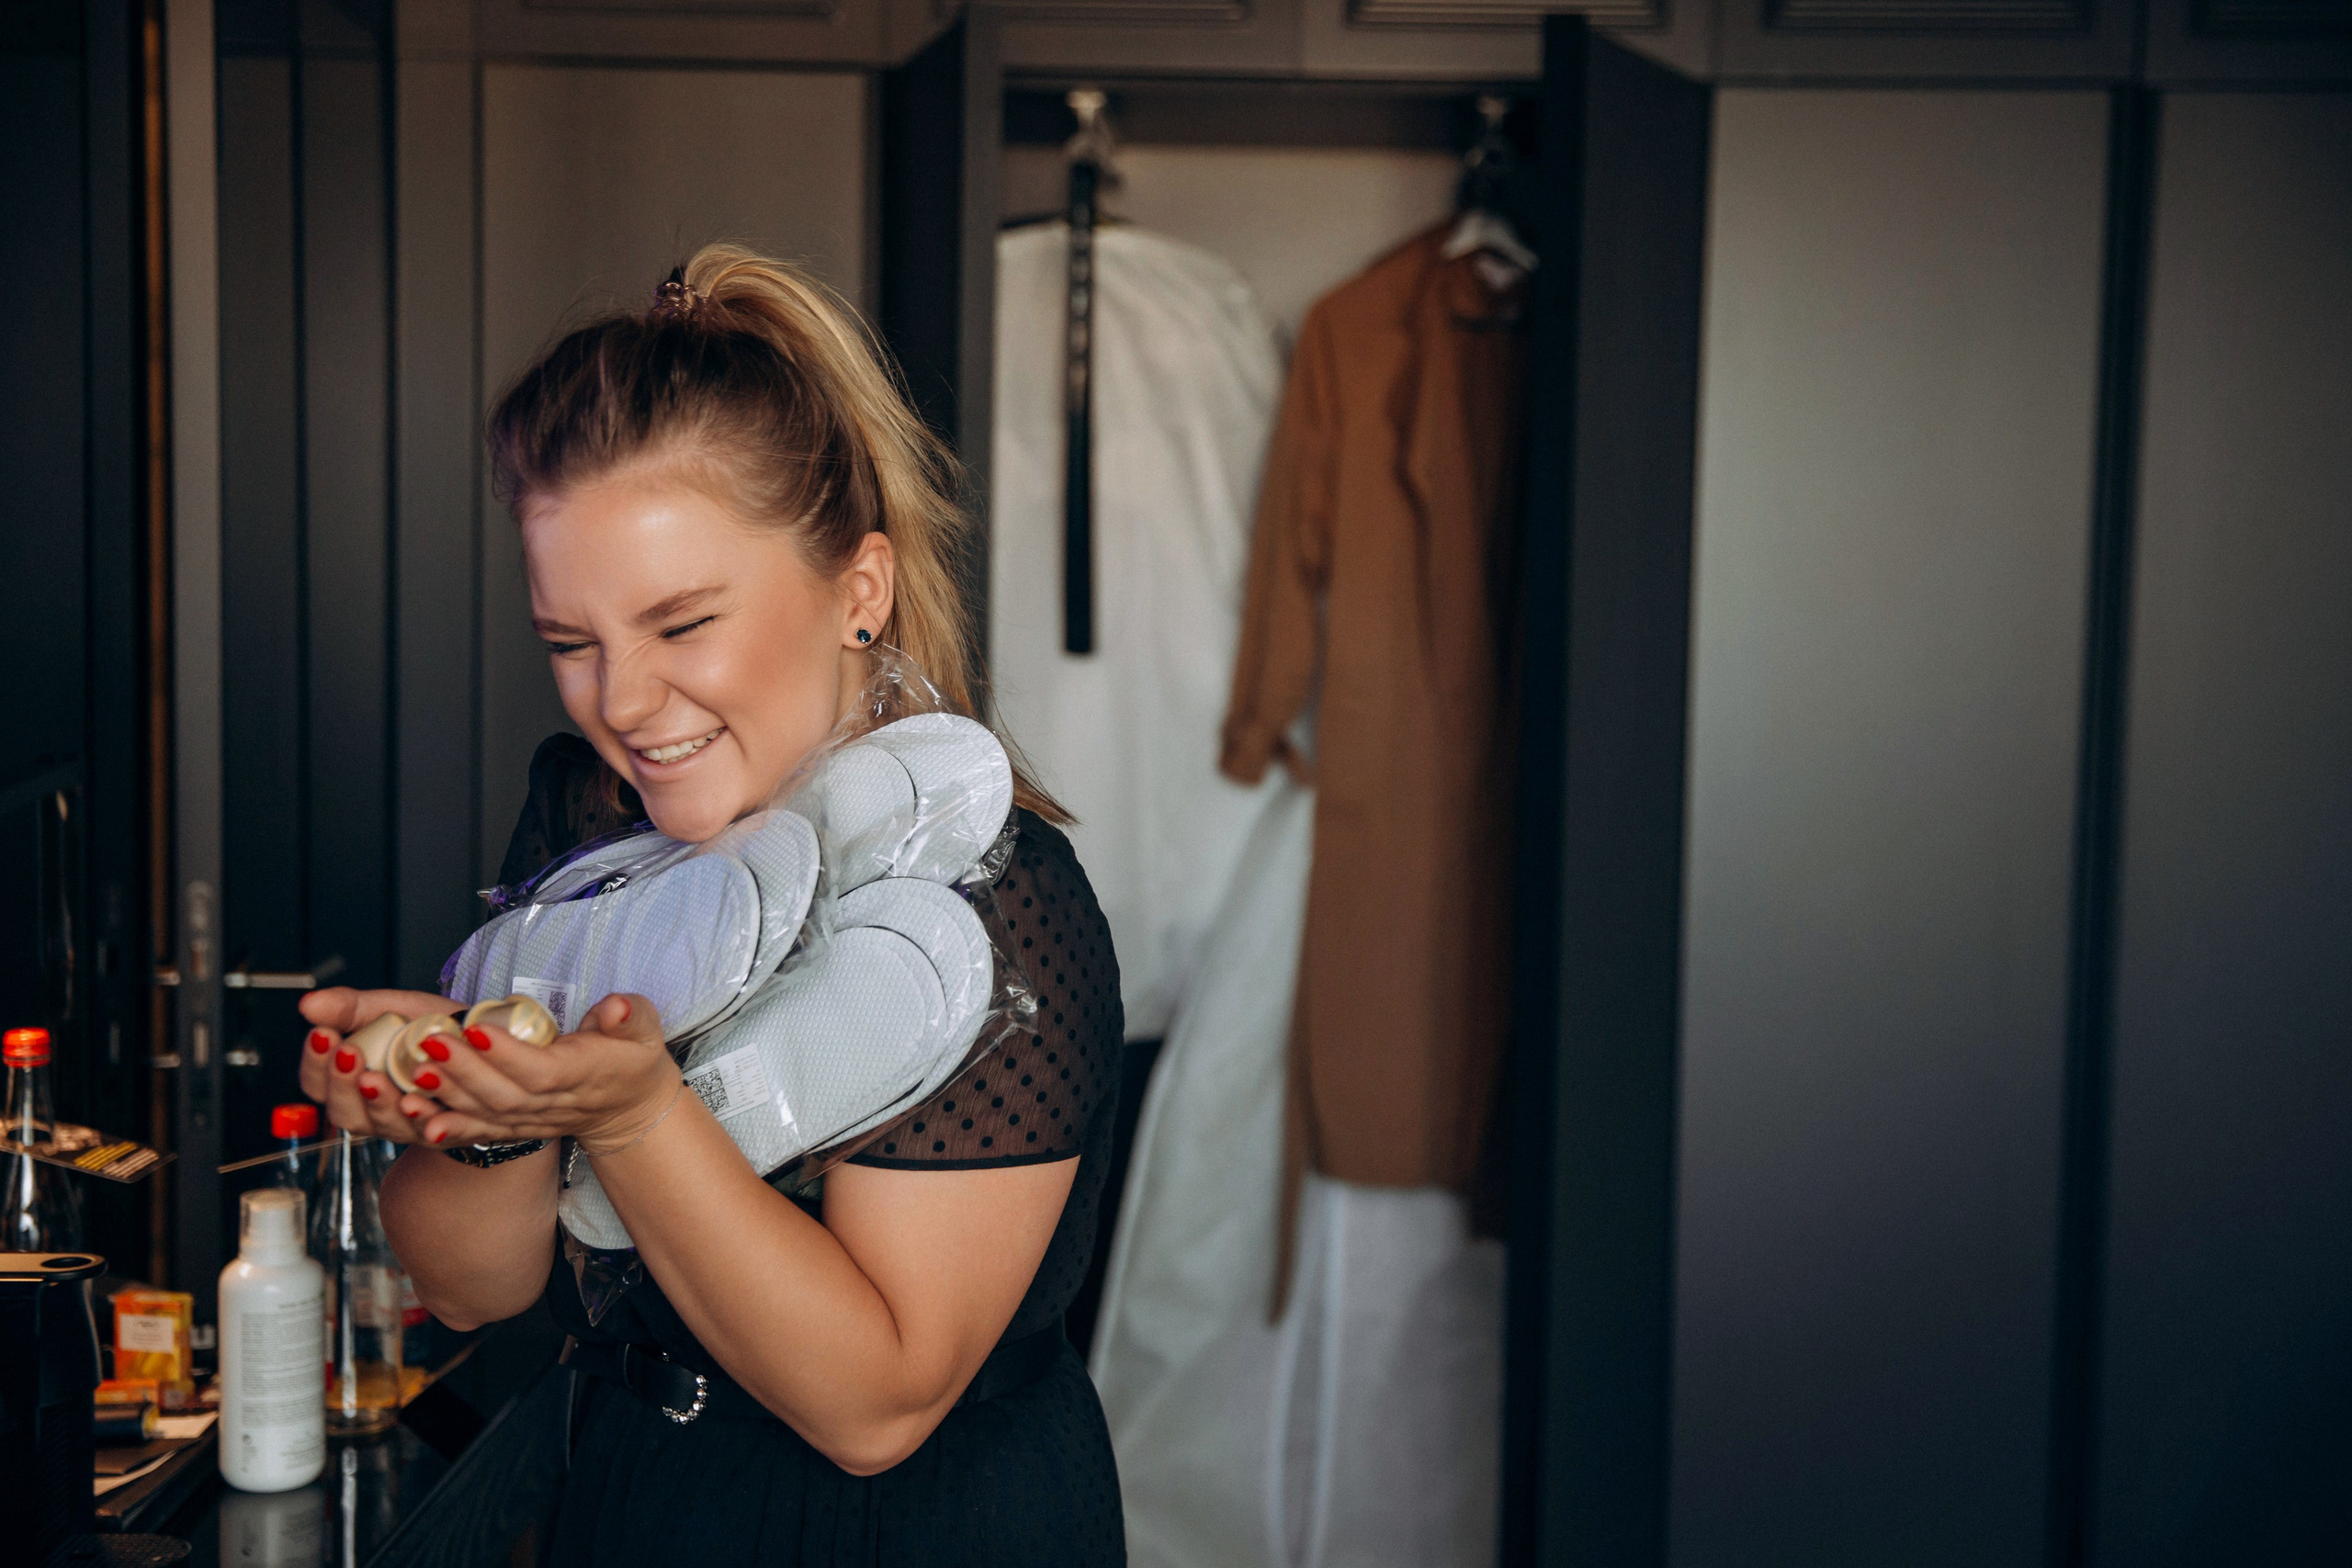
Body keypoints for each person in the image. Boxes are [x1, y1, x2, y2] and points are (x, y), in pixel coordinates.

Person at [295, 245, 1125, 1566]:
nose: (619, 703)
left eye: (681, 627)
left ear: (860, 591)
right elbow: (467, 1286)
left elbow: (876, 1403)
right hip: (621, 1507)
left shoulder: (996, 905)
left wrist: (625, 1112)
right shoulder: (591, 824)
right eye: (572, 643)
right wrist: (480, 1103)